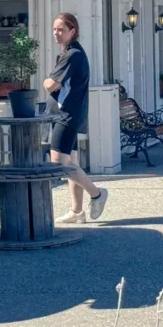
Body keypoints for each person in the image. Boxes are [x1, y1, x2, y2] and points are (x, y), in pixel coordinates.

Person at [44, 13, 108, 224]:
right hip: (69, 113)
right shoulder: (70, 53)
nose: (56, 33)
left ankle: (97, 194)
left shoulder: (73, 54)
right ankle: (77, 211)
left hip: (67, 115)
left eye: (61, 29)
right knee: (71, 161)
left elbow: (51, 84)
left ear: (73, 31)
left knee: (59, 163)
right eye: (54, 29)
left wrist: (48, 81)